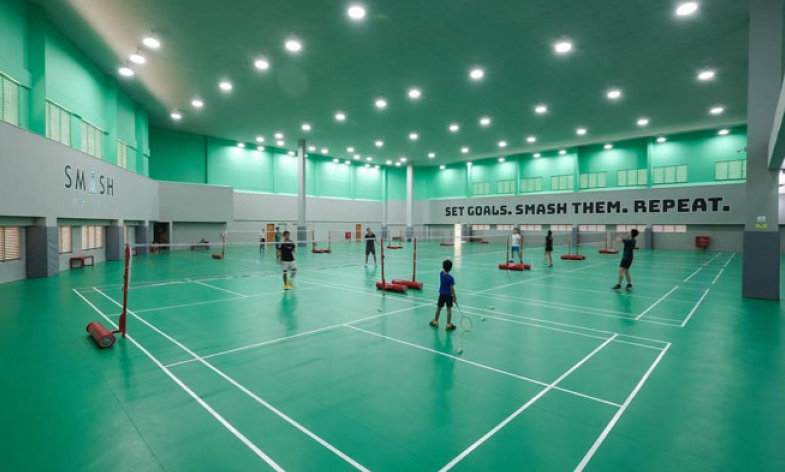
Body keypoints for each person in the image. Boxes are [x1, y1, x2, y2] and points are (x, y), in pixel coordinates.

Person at [430, 259, 457, 331]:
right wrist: (454, 297)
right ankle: (448, 325)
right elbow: (452, 288)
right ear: (451, 268)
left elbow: (443, 271)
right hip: (448, 296)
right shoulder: (451, 278)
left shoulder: (441, 274)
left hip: (442, 294)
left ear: (443, 267)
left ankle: (435, 321)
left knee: (439, 308)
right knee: (449, 310)